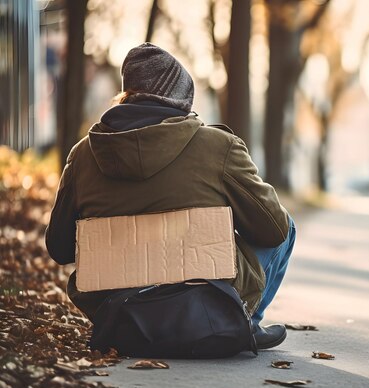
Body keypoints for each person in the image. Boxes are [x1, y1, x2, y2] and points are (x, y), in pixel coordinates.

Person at [45, 43, 295, 350]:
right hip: (204, 307)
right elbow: (274, 230)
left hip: (118, 314)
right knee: (285, 223)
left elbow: (59, 248)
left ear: (127, 95)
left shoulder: (82, 155)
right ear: (182, 99)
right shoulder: (217, 146)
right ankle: (242, 322)